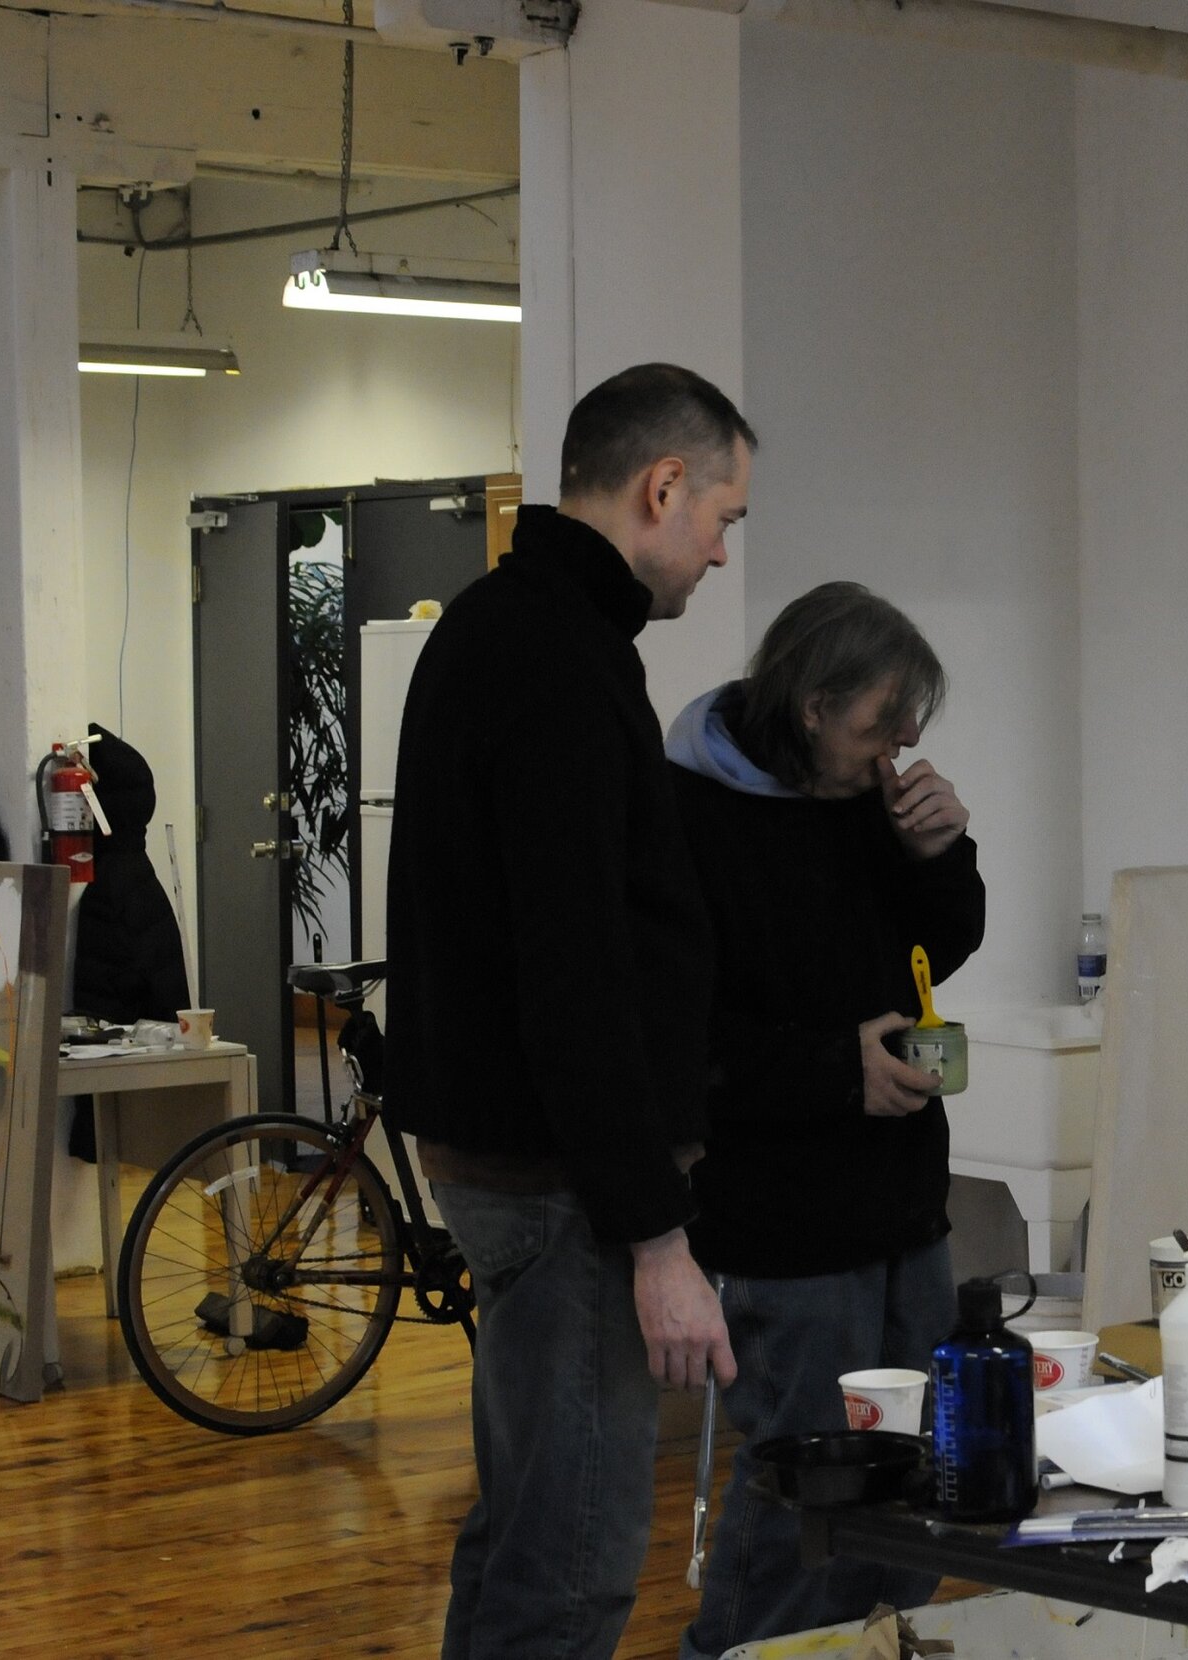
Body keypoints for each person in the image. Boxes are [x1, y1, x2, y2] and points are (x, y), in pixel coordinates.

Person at [382, 363, 754, 1659]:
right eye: (721, 517)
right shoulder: (555, 659)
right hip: (566, 1191)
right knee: (578, 1565)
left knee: (528, 1527)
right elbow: (574, 967)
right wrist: (655, 1237)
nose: (716, 553)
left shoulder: (508, 628)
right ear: (662, 488)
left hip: (533, 1173)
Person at [664, 581, 984, 1657]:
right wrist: (833, 1069)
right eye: (881, 720)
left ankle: (874, 1647)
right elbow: (682, 1038)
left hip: (902, 1202)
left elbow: (940, 947)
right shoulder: (691, 816)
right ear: (811, 703)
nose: (901, 745)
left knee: (924, 1476)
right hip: (785, 1219)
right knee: (812, 1482)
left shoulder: (869, 801)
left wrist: (943, 853)